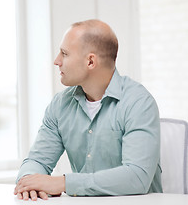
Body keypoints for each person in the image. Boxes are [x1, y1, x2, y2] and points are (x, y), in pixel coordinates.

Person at [14, 19, 162, 200]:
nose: (57, 61)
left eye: (64, 54)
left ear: (91, 61)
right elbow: (37, 161)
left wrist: (63, 183)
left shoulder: (138, 102)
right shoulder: (61, 104)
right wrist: (28, 181)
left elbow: (137, 177)